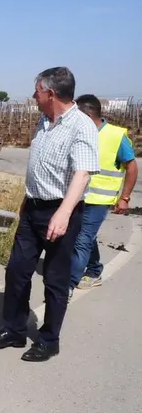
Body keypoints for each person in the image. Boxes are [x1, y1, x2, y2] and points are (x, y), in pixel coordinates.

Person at [0, 67, 99, 362]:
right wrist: (25, 199)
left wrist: (64, 213)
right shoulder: (43, 122)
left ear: (51, 93)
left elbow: (82, 175)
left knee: (55, 280)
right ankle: (14, 330)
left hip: (61, 211)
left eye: (37, 91)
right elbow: (40, 168)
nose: (33, 96)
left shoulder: (81, 126)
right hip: (33, 208)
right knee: (17, 271)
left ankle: (49, 339)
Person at [70, 94, 138, 294]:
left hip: (99, 200)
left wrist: (124, 198)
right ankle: (94, 271)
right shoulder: (79, 132)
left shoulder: (115, 136)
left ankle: (68, 286)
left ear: (88, 115)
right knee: (84, 237)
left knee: (81, 240)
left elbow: (131, 167)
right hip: (76, 197)